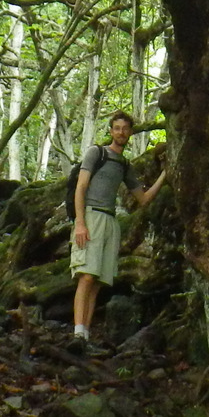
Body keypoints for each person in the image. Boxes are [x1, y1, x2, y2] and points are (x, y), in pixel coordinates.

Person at [70, 110, 165, 350]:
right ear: (111, 131)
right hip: (91, 216)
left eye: (125, 128)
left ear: (130, 132)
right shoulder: (97, 153)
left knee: (99, 280)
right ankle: (77, 334)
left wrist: (166, 174)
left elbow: (142, 199)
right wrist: (80, 223)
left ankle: (85, 336)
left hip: (111, 222)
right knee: (87, 275)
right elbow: (81, 187)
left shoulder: (124, 164)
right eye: (117, 128)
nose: (121, 132)